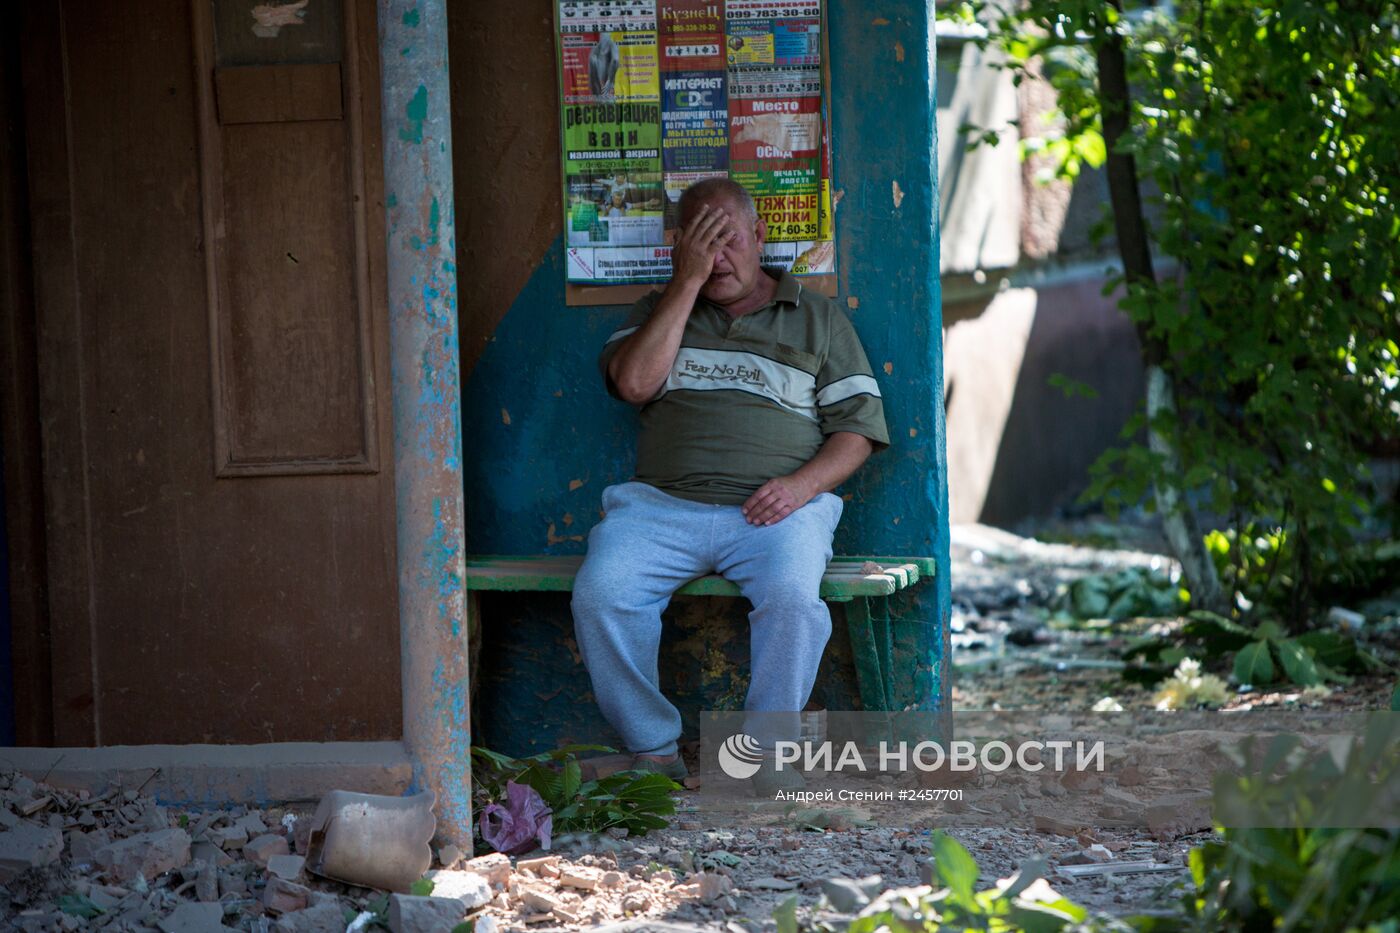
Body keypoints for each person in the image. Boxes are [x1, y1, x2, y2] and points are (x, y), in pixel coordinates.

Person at [570, 178, 889, 794]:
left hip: (776, 511)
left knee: (795, 602)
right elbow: (634, 385)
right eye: (701, 243)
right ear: (678, 248)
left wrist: (800, 487)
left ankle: (768, 756)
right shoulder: (656, 313)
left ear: (759, 236)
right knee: (602, 593)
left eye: (729, 240)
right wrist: (685, 284)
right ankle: (654, 749)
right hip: (660, 507)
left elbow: (859, 432)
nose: (718, 258)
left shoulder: (819, 319)